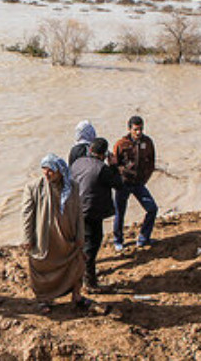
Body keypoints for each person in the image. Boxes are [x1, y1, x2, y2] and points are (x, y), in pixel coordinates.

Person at [21, 154, 91, 314]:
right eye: (44, 169)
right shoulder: (33, 187)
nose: (46, 173)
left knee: (76, 264)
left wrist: (80, 237)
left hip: (68, 237)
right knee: (41, 269)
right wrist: (27, 237)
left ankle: (77, 296)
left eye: (50, 170)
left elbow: (79, 214)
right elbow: (27, 214)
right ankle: (43, 299)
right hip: (44, 237)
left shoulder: (73, 187)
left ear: (60, 171)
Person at [71, 138, 123, 292]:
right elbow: (118, 184)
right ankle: (90, 282)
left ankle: (79, 274)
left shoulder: (78, 163)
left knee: (79, 243)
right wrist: (113, 165)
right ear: (103, 154)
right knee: (92, 245)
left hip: (75, 209)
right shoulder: (102, 168)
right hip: (92, 211)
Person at [111, 116, 158, 251]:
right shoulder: (121, 144)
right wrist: (119, 179)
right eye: (136, 129)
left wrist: (145, 178)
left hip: (139, 183)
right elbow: (114, 164)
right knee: (120, 213)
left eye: (141, 129)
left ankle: (143, 238)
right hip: (124, 184)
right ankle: (118, 240)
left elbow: (151, 162)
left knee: (152, 209)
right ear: (129, 129)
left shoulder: (147, 142)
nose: (138, 132)